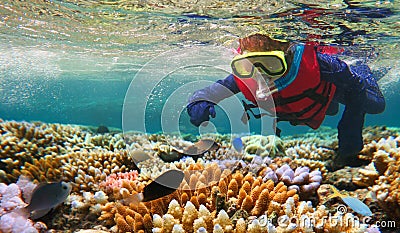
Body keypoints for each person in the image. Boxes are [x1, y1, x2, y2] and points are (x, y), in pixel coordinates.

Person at [186, 33, 386, 170]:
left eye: (271, 64)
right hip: (311, 103)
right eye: (250, 66)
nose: (261, 76)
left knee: (375, 104)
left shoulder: (323, 65)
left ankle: (363, 67)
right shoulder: (247, 78)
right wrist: (197, 103)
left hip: (326, 91)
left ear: (288, 56)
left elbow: (356, 89)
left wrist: (349, 131)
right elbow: (205, 93)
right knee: (330, 110)